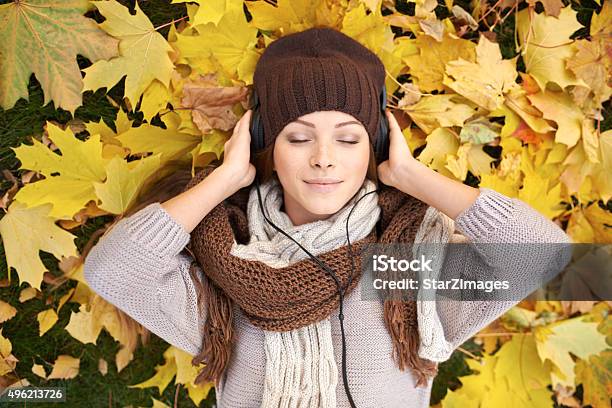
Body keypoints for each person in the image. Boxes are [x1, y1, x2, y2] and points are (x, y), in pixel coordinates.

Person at [83, 27, 572, 407]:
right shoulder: (228, 262)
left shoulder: (400, 264)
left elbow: (545, 257)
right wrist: (228, 178)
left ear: (374, 146)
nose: (323, 158)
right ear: (266, 146)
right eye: (298, 137)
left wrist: (409, 174)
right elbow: (115, 268)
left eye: (348, 138)